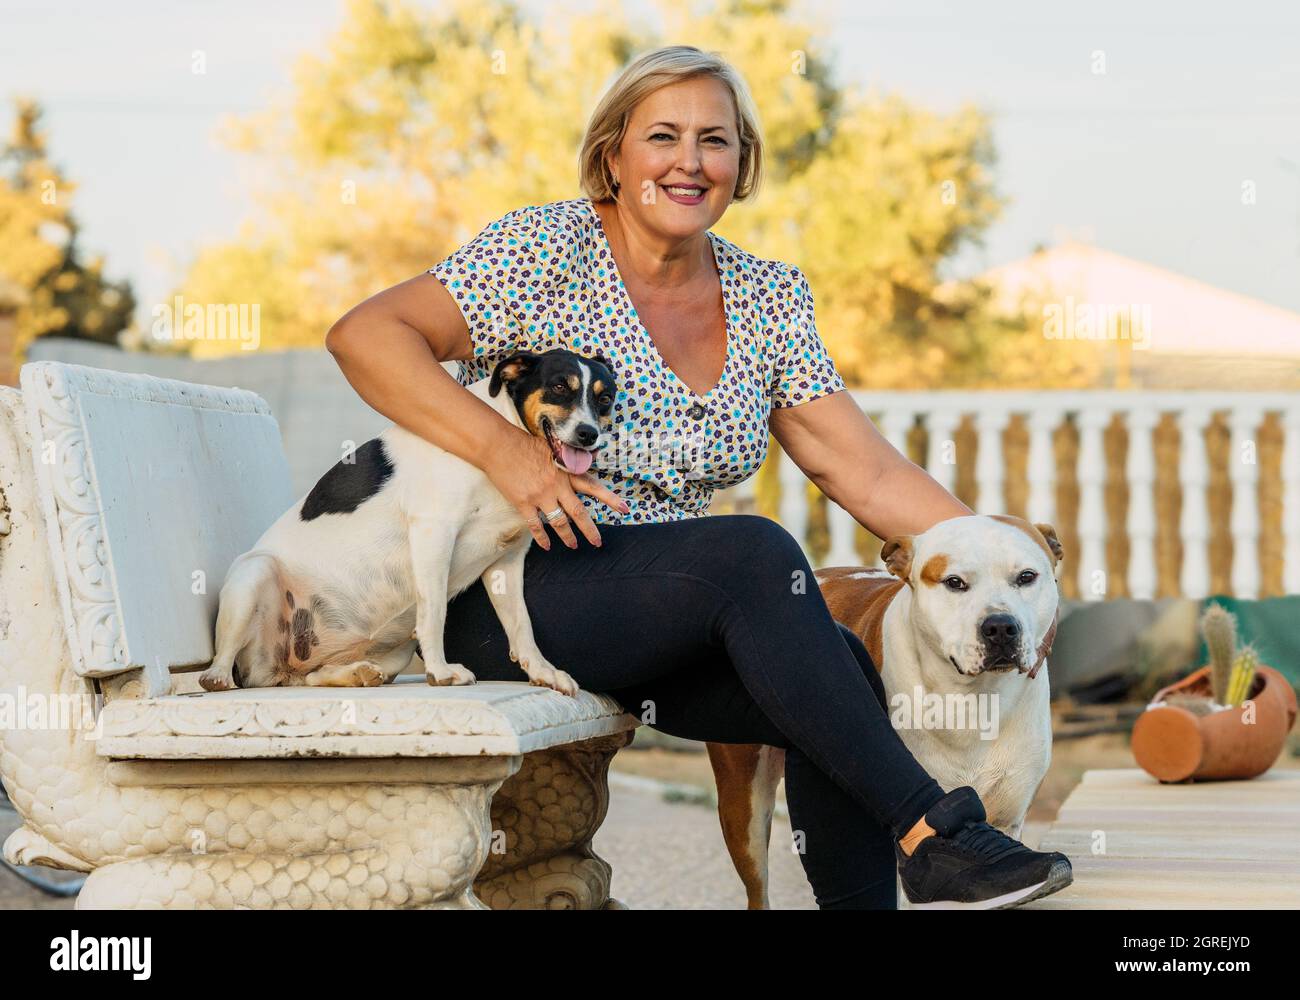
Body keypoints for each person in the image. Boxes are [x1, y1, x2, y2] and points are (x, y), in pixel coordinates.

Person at [324, 45, 1071, 909]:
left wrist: (997, 583)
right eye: (663, 136)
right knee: (752, 551)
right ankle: (937, 836)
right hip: (502, 592)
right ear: (614, 155)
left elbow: (857, 464)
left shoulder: (765, 296)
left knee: (836, 670)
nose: (689, 161)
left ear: (741, 165)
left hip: (650, 609)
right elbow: (367, 336)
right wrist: (509, 455)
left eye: (714, 141)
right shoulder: (543, 249)